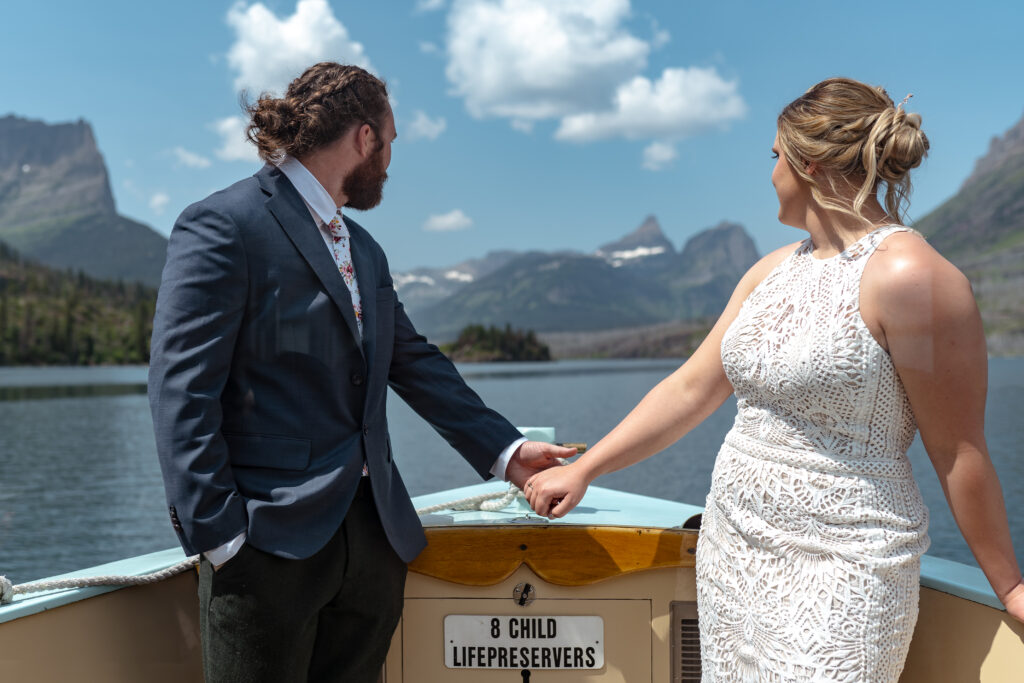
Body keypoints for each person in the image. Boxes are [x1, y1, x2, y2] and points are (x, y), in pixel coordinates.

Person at [524, 77, 1024, 680]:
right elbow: (689, 390)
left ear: (808, 164)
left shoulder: (911, 277)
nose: (769, 174)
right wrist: (583, 469)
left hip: (843, 564)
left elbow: (958, 450)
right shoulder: (770, 271)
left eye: (775, 157)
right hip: (733, 551)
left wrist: (1013, 586)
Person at [148, 62, 574, 683]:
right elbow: (180, 389)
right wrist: (223, 540)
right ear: (365, 138)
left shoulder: (363, 249)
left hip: (373, 544)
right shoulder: (224, 224)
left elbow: (412, 360)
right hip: (266, 549)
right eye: (392, 141)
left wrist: (506, 452)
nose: (392, 163)